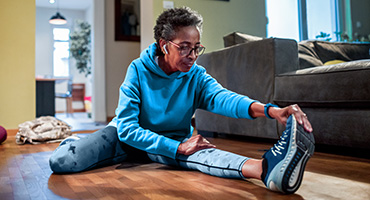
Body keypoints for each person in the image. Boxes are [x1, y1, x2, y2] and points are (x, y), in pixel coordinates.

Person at [49, 7, 315, 194]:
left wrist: (271, 111)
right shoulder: (138, 70)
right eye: (184, 47)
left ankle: (267, 170)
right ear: (164, 45)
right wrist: (177, 149)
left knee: (205, 155)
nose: (192, 54)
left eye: (196, 47)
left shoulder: (196, 76)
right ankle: (75, 141)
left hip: (171, 139)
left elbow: (224, 99)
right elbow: (128, 129)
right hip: (124, 137)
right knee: (62, 163)